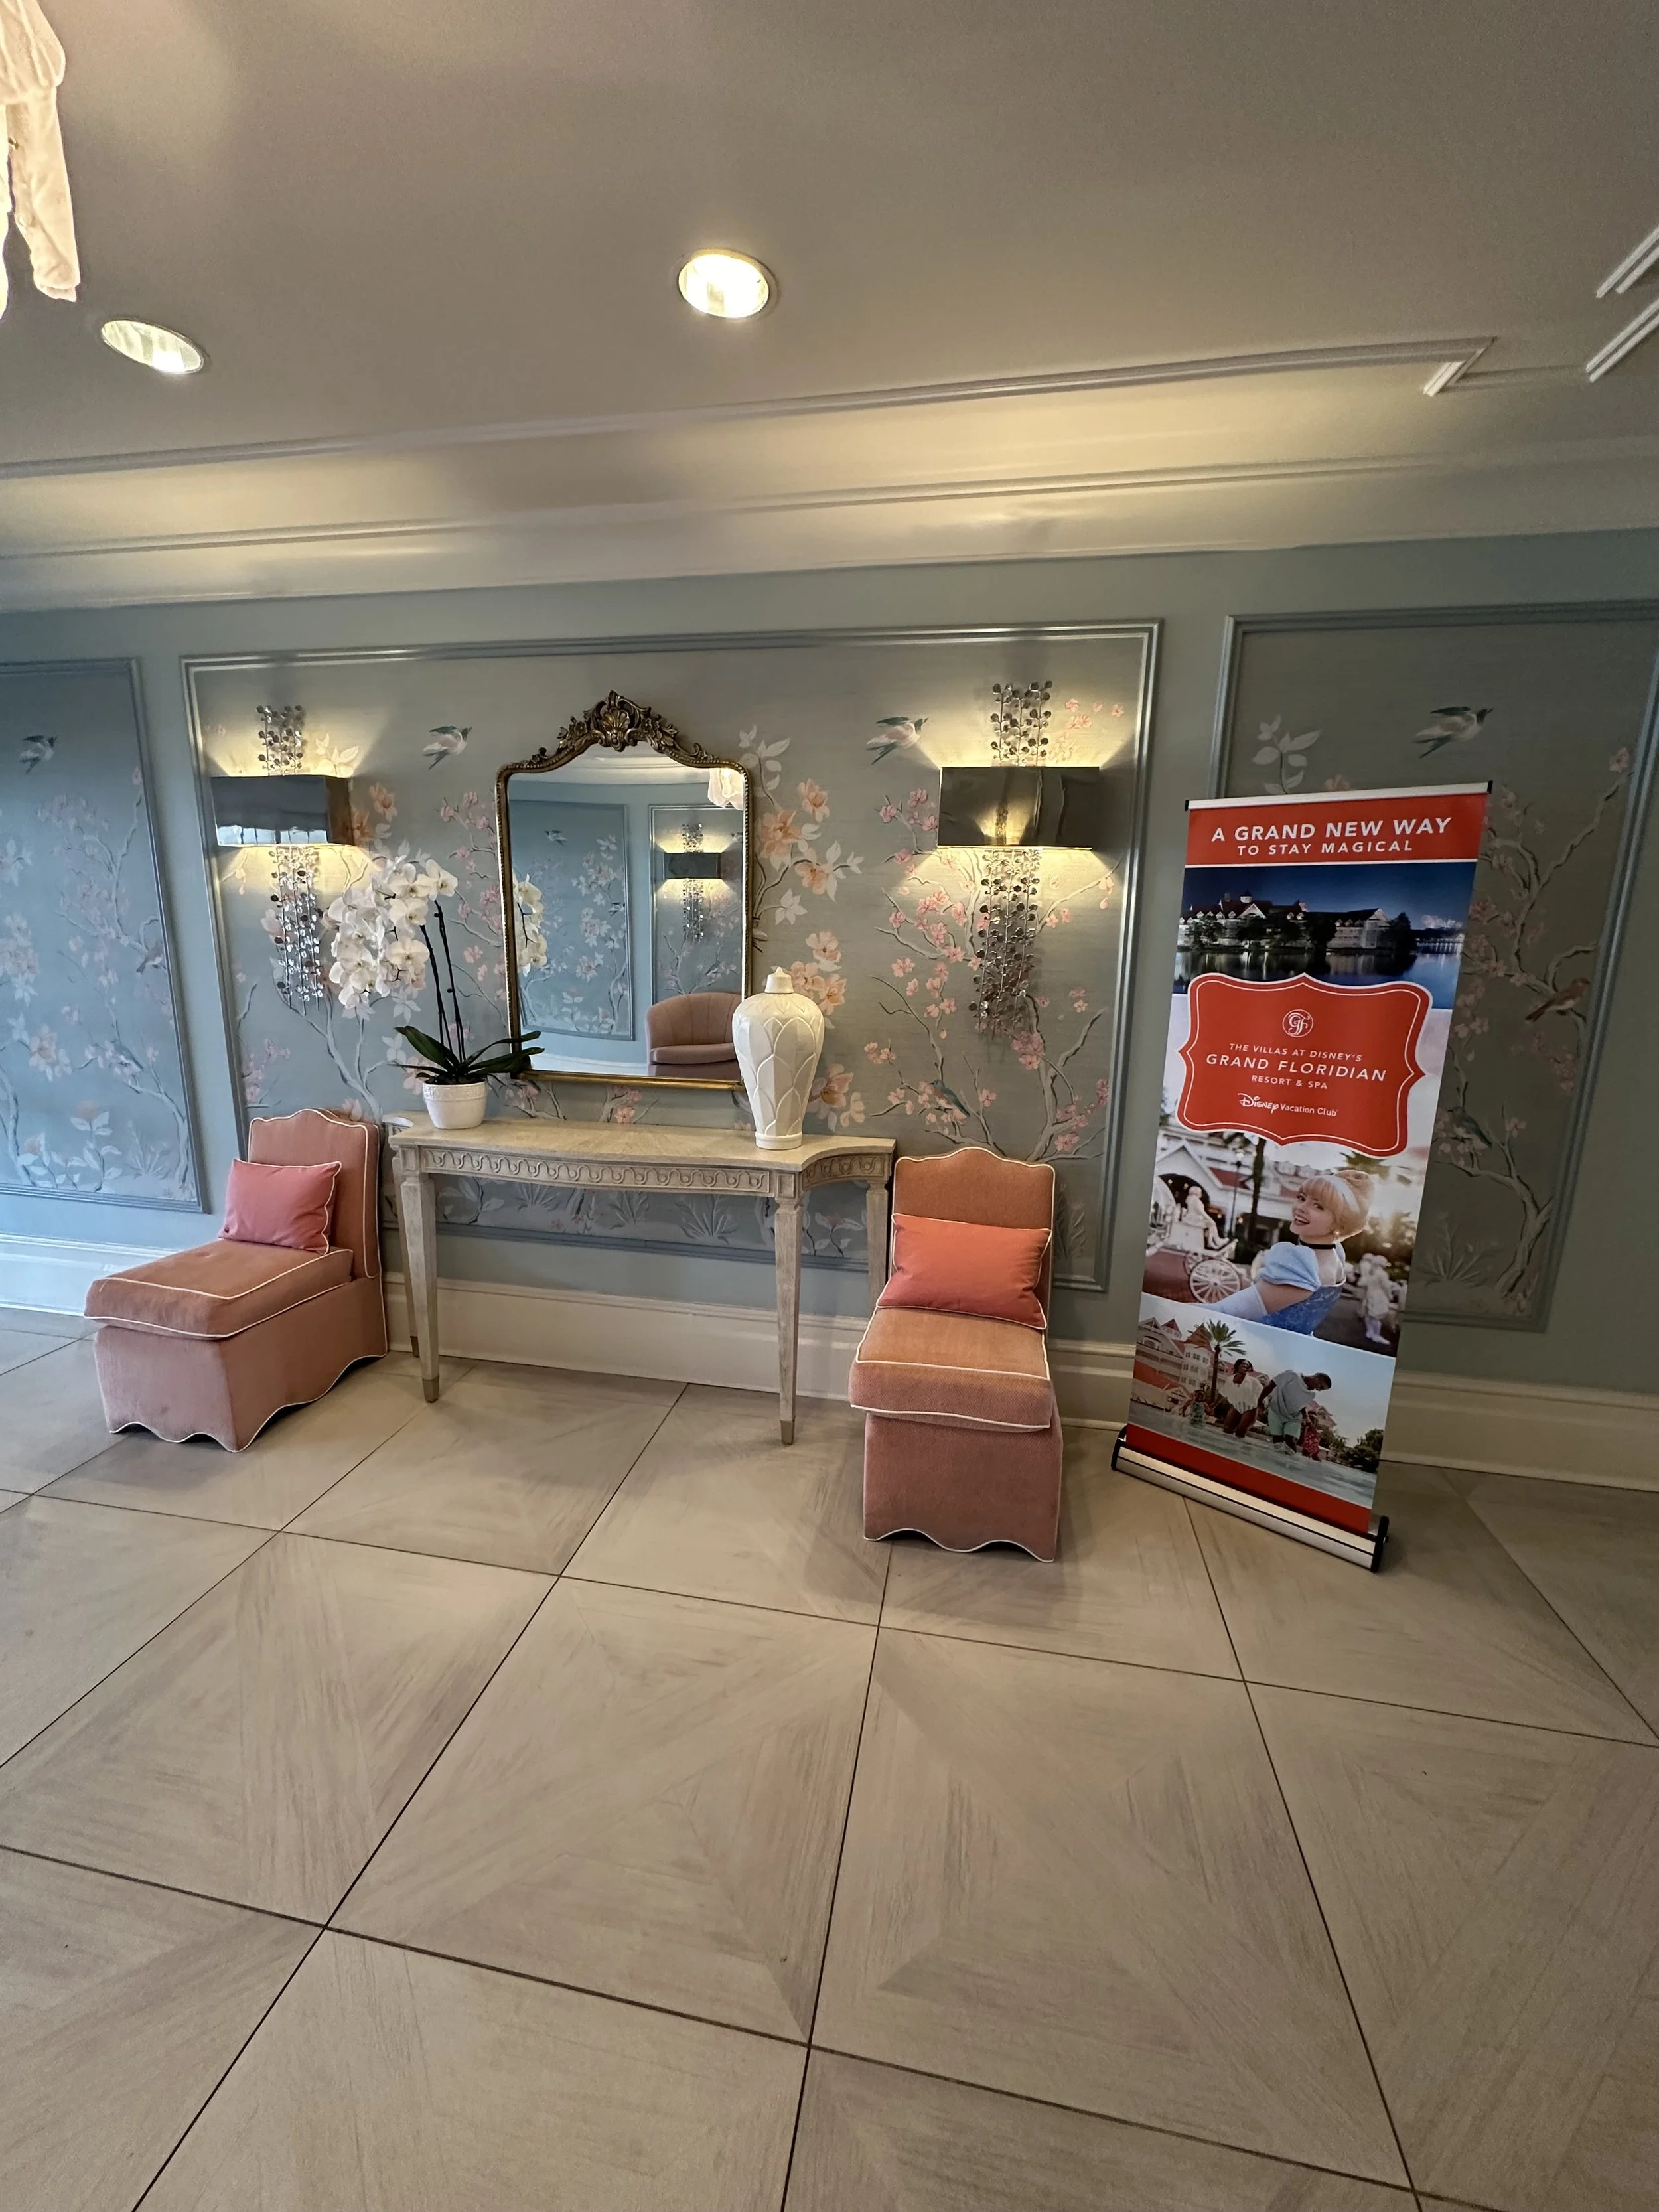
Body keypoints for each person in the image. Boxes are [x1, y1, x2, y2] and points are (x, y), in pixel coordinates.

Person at [1210, 1170, 1373, 1327]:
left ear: (1340, 1224)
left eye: (1318, 1206)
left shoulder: (1304, 1264)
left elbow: (1226, 1311)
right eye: (1302, 1198)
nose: (1301, 1207)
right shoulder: (1335, 1254)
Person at [1261, 1370, 1332, 1454]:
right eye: (1320, 1385)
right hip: (1276, 1410)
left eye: (1321, 1389)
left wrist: (1306, 1417)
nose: (1318, 1389)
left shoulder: (1311, 1394)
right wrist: (1259, 1403)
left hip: (1293, 1417)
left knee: (1291, 1441)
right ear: (1317, 1376)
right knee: (1277, 1442)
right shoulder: (1292, 1376)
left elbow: (1301, 1406)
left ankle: (1289, 1464)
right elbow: (1271, 1385)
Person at [1165, 1183, 1226, 1256]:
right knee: (1212, 1223)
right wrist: (1209, 1218)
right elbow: (1201, 1212)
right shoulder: (1195, 1200)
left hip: (1191, 1218)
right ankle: (1216, 1241)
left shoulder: (1190, 1199)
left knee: (1211, 1224)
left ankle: (1213, 1241)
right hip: (1193, 1219)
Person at [1357, 1250, 1396, 1346]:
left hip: (1370, 1295)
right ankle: (1376, 1335)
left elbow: (1363, 1283)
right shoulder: (1382, 1274)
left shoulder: (1371, 1273)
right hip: (1380, 1297)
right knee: (1377, 1317)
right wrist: (1390, 1296)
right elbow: (1386, 1287)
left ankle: (1370, 1332)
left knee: (1369, 1314)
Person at [1217, 1357, 1260, 1436]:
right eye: (1243, 1364)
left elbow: (1262, 1394)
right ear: (1238, 1365)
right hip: (1237, 1406)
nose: (1245, 1366)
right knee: (1227, 1429)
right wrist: (1214, 1405)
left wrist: (1261, 1408)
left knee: (1240, 1432)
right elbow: (1223, 1393)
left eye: (1248, 1365)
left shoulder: (1254, 1381)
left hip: (1251, 1408)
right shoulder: (1230, 1379)